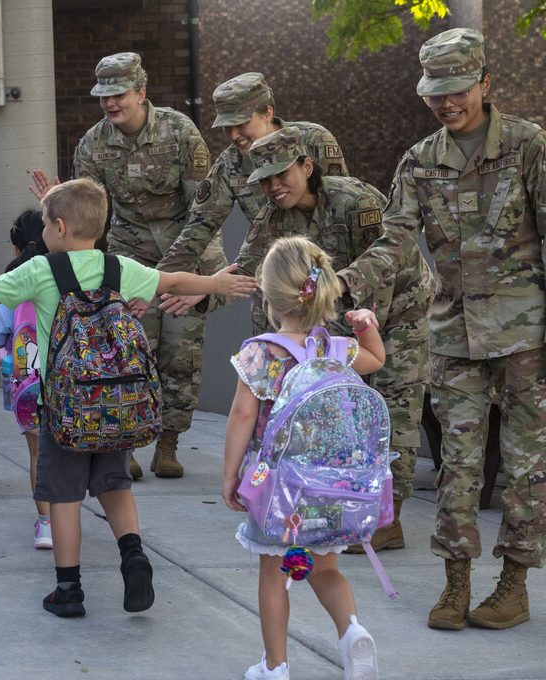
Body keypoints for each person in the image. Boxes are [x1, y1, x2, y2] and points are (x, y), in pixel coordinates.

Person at [0, 177, 257, 618]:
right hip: (115, 405)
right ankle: (134, 556)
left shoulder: (40, 269)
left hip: (64, 410)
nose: (43, 229)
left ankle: (69, 590)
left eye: (46, 221)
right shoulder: (119, 266)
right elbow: (172, 280)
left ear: (60, 228)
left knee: (64, 496)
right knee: (116, 486)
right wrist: (216, 283)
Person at [337, 28, 546, 632]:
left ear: (485, 82)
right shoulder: (420, 160)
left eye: (458, 89)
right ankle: (456, 584)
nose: (447, 102)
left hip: (524, 332)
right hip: (453, 331)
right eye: (436, 93)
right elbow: (396, 240)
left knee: (527, 463)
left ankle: (514, 585)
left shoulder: (528, 145)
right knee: (458, 462)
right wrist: (347, 281)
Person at [235, 127, 434, 554]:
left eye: (281, 174)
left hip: (398, 308)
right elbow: (252, 274)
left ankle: (388, 517)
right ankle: (341, 499)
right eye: (264, 179)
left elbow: (390, 258)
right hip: (334, 318)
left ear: (307, 166)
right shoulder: (272, 216)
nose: (273, 186)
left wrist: (344, 328)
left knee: (394, 403)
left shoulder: (355, 201)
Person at [30, 52, 226, 479]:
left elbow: (203, 211)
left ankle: (169, 444)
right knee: (129, 348)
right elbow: (86, 213)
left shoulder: (179, 132)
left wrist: (193, 276)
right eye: (103, 96)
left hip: (185, 250)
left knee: (181, 352)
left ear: (141, 91)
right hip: (129, 253)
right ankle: (127, 439)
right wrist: (56, 205)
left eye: (119, 94)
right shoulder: (93, 145)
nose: (110, 103)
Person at [222, 236, 383, 680]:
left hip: (278, 489)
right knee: (324, 568)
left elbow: (241, 415)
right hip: (328, 486)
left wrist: (229, 475)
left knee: (275, 572)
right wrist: (364, 322)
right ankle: (352, 633)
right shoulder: (337, 349)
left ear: (271, 297)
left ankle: (275, 667)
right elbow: (377, 358)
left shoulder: (262, 351)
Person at [156, 71, 349, 335]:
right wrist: (155, 282)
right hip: (274, 283)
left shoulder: (313, 141)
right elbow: (198, 230)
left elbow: (339, 208)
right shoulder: (229, 164)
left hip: (327, 278)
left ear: (267, 113)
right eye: (226, 126)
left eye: (241, 123)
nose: (234, 134)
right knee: (271, 364)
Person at [0, 208, 52, 548]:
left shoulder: (12, 283)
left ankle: (46, 524)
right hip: (70, 378)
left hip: (28, 381)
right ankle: (69, 515)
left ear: (17, 247)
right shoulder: (67, 276)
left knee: (37, 454)